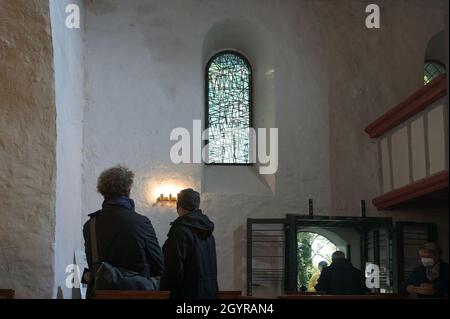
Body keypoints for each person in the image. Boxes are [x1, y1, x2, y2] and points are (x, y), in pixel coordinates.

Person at [83, 165, 164, 296]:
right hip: (135, 293)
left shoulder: (90, 225)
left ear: (102, 191)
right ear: (128, 190)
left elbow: (94, 265)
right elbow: (158, 265)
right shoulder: (141, 222)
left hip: (101, 293)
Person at [160, 188, 219, 299]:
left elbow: (174, 269)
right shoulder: (207, 231)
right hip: (210, 292)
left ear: (179, 205)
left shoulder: (180, 231)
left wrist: (165, 289)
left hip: (188, 293)